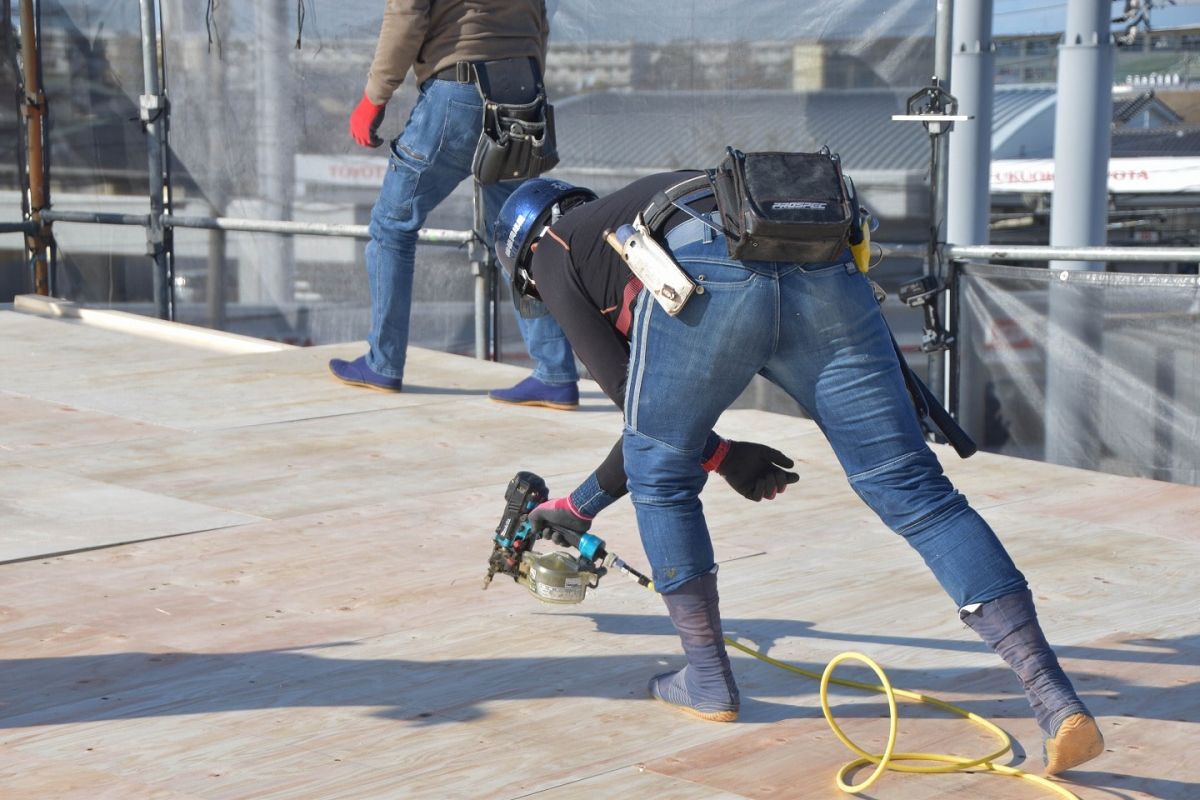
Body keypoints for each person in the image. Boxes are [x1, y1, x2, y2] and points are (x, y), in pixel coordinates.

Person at [504, 169, 1105, 776]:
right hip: (820, 262)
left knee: (664, 481)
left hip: (711, 278)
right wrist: (578, 507)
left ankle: (709, 682)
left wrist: (722, 457)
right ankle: (1055, 699)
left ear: (524, 257)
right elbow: (650, 424)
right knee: (917, 493)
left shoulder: (554, 251)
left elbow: (641, 420)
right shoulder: (640, 204)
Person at [492, 176, 801, 529]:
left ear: (531, 250)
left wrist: (724, 458)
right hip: (792, 246)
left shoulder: (550, 250)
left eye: (534, 285)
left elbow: (644, 411)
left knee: (665, 474)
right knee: (875, 459)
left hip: (715, 269)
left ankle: (686, 586)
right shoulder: (620, 221)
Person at [328, 0, 580, 410]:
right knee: (516, 239)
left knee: (392, 225)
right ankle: (554, 373)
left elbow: (406, 12)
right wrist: (525, 75)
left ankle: (383, 362)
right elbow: (540, 17)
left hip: (460, 88)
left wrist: (374, 98)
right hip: (521, 86)